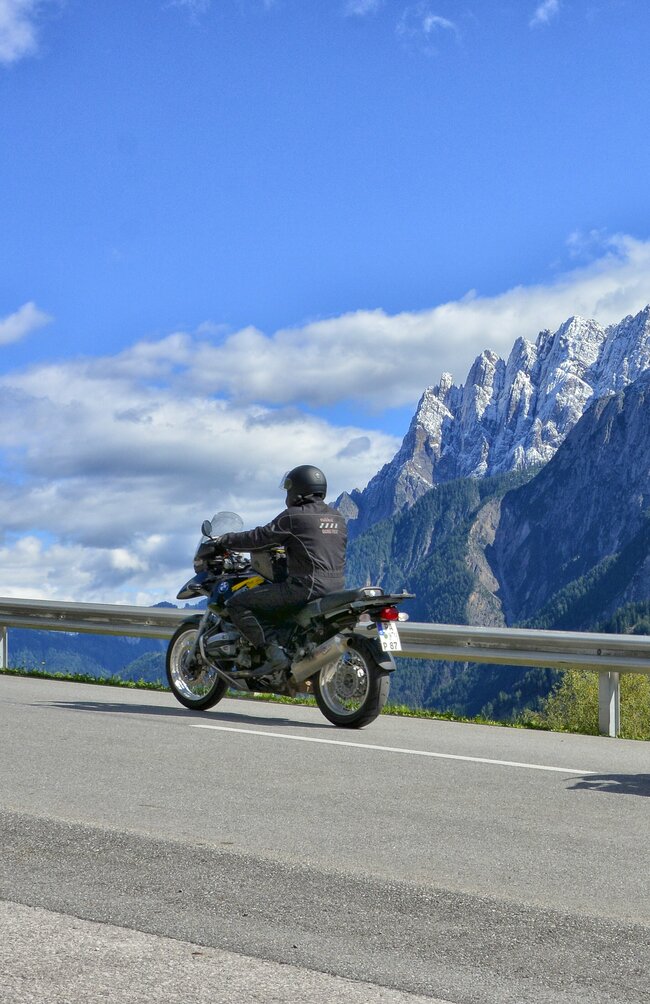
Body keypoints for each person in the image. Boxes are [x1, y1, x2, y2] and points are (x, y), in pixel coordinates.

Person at [216, 465, 347, 675]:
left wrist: (226, 540)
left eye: (289, 489)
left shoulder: (294, 517)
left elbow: (259, 538)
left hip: (304, 587)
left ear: (298, 489)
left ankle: (275, 653)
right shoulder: (337, 518)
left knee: (238, 604)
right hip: (336, 588)